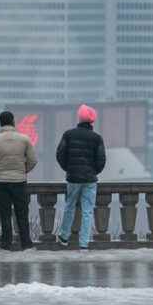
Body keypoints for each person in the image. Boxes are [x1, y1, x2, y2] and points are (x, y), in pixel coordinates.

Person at [0, 111, 38, 250]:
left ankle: (6, 245)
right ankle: (26, 244)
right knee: (22, 214)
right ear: (13, 122)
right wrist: (23, 171)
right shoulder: (24, 139)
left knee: (5, 214)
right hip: (19, 181)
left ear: (0, 123)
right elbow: (33, 160)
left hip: (1, 182)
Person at [55, 104, 106, 250]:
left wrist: (69, 168)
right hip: (90, 179)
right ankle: (84, 243)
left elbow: (59, 154)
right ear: (92, 121)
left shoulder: (68, 134)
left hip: (73, 178)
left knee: (69, 206)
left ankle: (64, 236)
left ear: (79, 118)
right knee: (87, 211)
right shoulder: (97, 138)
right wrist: (93, 171)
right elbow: (101, 160)